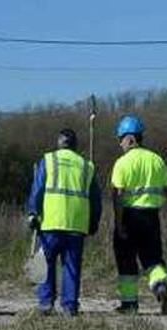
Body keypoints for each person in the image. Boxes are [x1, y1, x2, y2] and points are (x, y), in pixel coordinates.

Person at [25, 128, 101, 316]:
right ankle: (70, 306)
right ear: (75, 145)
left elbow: (38, 188)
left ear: (59, 142)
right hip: (76, 224)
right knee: (72, 266)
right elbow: (95, 199)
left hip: (51, 222)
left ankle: (45, 303)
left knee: (45, 263)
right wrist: (93, 222)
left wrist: (33, 213)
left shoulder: (48, 160)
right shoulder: (87, 166)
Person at [110, 114, 167, 315]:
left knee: (126, 261)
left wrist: (119, 222)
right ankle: (160, 286)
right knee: (153, 259)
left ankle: (130, 304)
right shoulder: (156, 160)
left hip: (129, 217)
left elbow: (118, 195)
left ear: (128, 138)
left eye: (120, 139)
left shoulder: (122, 163)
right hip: (151, 218)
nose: (120, 144)